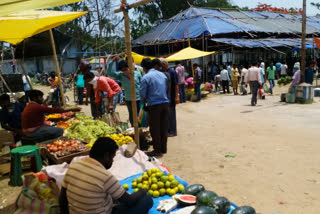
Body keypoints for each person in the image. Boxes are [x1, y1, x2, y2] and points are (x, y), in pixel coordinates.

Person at [59, 137, 153, 214]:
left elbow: (62, 198)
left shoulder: (74, 166)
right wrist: (142, 191)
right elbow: (129, 201)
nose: (112, 161)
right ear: (106, 156)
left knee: (113, 195)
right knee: (147, 200)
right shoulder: (105, 176)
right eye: (112, 158)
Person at [140, 58, 169, 157]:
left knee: (155, 129)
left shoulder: (146, 77)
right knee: (163, 127)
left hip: (154, 105)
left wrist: (143, 105)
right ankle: (163, 148)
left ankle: (157, 150)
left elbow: (143, 94)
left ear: (144, 68)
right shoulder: (163, 75)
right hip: (165, 104)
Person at [107, 57, 142, 127]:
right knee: (132, 115)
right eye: (122, 70)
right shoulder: (120, 75)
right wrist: (112, 62)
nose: (125, 71)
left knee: (139, 115)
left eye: (125, 69)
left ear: (128, 67)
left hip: (138, 98)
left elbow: (142, 85)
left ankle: (140, 129)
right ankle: (133, 128)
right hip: (129, 99)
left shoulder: (137, 74)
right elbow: (109, 72)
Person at [161, 58, 178, 137]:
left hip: (172, 96)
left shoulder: (172, 72)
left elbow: (176, 85)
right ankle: (168, 130)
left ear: (164, 64)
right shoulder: (165, 72)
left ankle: (173, 131)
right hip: (167, 97)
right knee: (167, 115)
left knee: (171, 115)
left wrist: (176, 96)